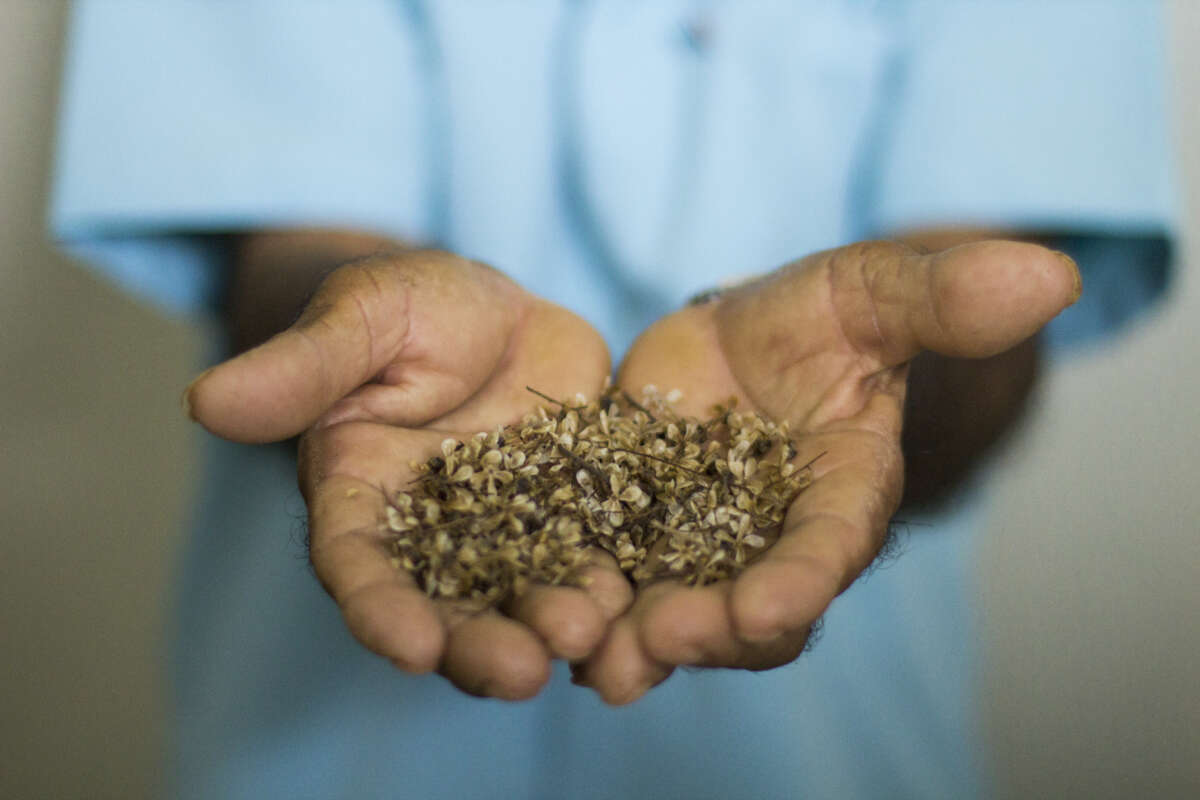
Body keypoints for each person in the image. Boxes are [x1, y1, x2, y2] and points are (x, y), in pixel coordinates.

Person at [52, 2, 1175, 797]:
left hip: (832, 753)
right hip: (315, 748)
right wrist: (354, 327)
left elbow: (979, 315)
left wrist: (886, 365)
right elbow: (289, 236)